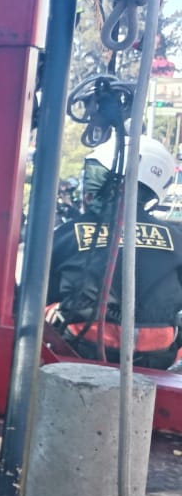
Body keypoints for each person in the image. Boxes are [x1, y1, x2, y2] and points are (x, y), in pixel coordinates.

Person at [47, 134, 182, 368]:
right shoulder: (175, 238)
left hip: (81, 352)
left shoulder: (68, 234)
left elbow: (35, 297)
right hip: (159, 357)